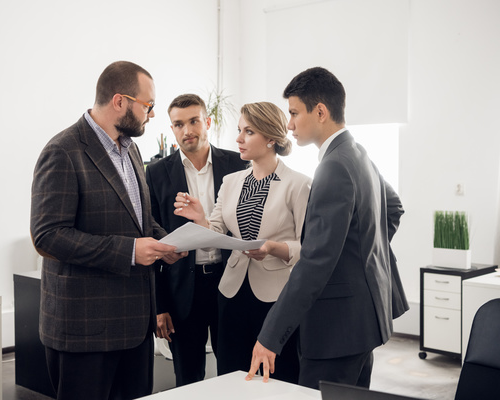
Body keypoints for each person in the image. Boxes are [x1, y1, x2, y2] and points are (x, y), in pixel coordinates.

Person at [30, 61, 186, 400]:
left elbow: (138, 220)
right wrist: (130, 251)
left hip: (135, 328)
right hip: (85, 331)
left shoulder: (131, 149)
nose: (152, 114)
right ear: (120, 101)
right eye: (148, 105)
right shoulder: (62, 151)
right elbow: (47, 236)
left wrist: (165, 242)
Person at [247, 67, 405, 390]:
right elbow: (393, 208)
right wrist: (360, 256)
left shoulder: (333, 166)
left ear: (320, 111)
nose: (288, 124)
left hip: (337, 330)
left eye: (293, 113)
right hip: (362, 322)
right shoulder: (358, 153)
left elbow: (316, 262)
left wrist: (269, 336)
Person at [174, 102, 312, 384]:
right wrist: (201, 220)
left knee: (276, 377)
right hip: (231, 292)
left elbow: (308, 247)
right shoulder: (231, 181)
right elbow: (215, 231)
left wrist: (272, 248)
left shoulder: (298, 184)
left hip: (276, 297)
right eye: (239, 130)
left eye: (248, 132)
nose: (238, 139)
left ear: (271, 137)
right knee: (232, 374)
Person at [145, 94, 248, 386]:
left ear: (208, 122)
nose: (187, 130)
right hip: (181, 291)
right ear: (172, 129)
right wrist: (159, 305)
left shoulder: (238, 164)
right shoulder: (155, 173)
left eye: (193, 121)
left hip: (229, 282)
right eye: (178, 124)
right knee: (188, 377)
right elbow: (151, 237)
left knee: (234, 371)